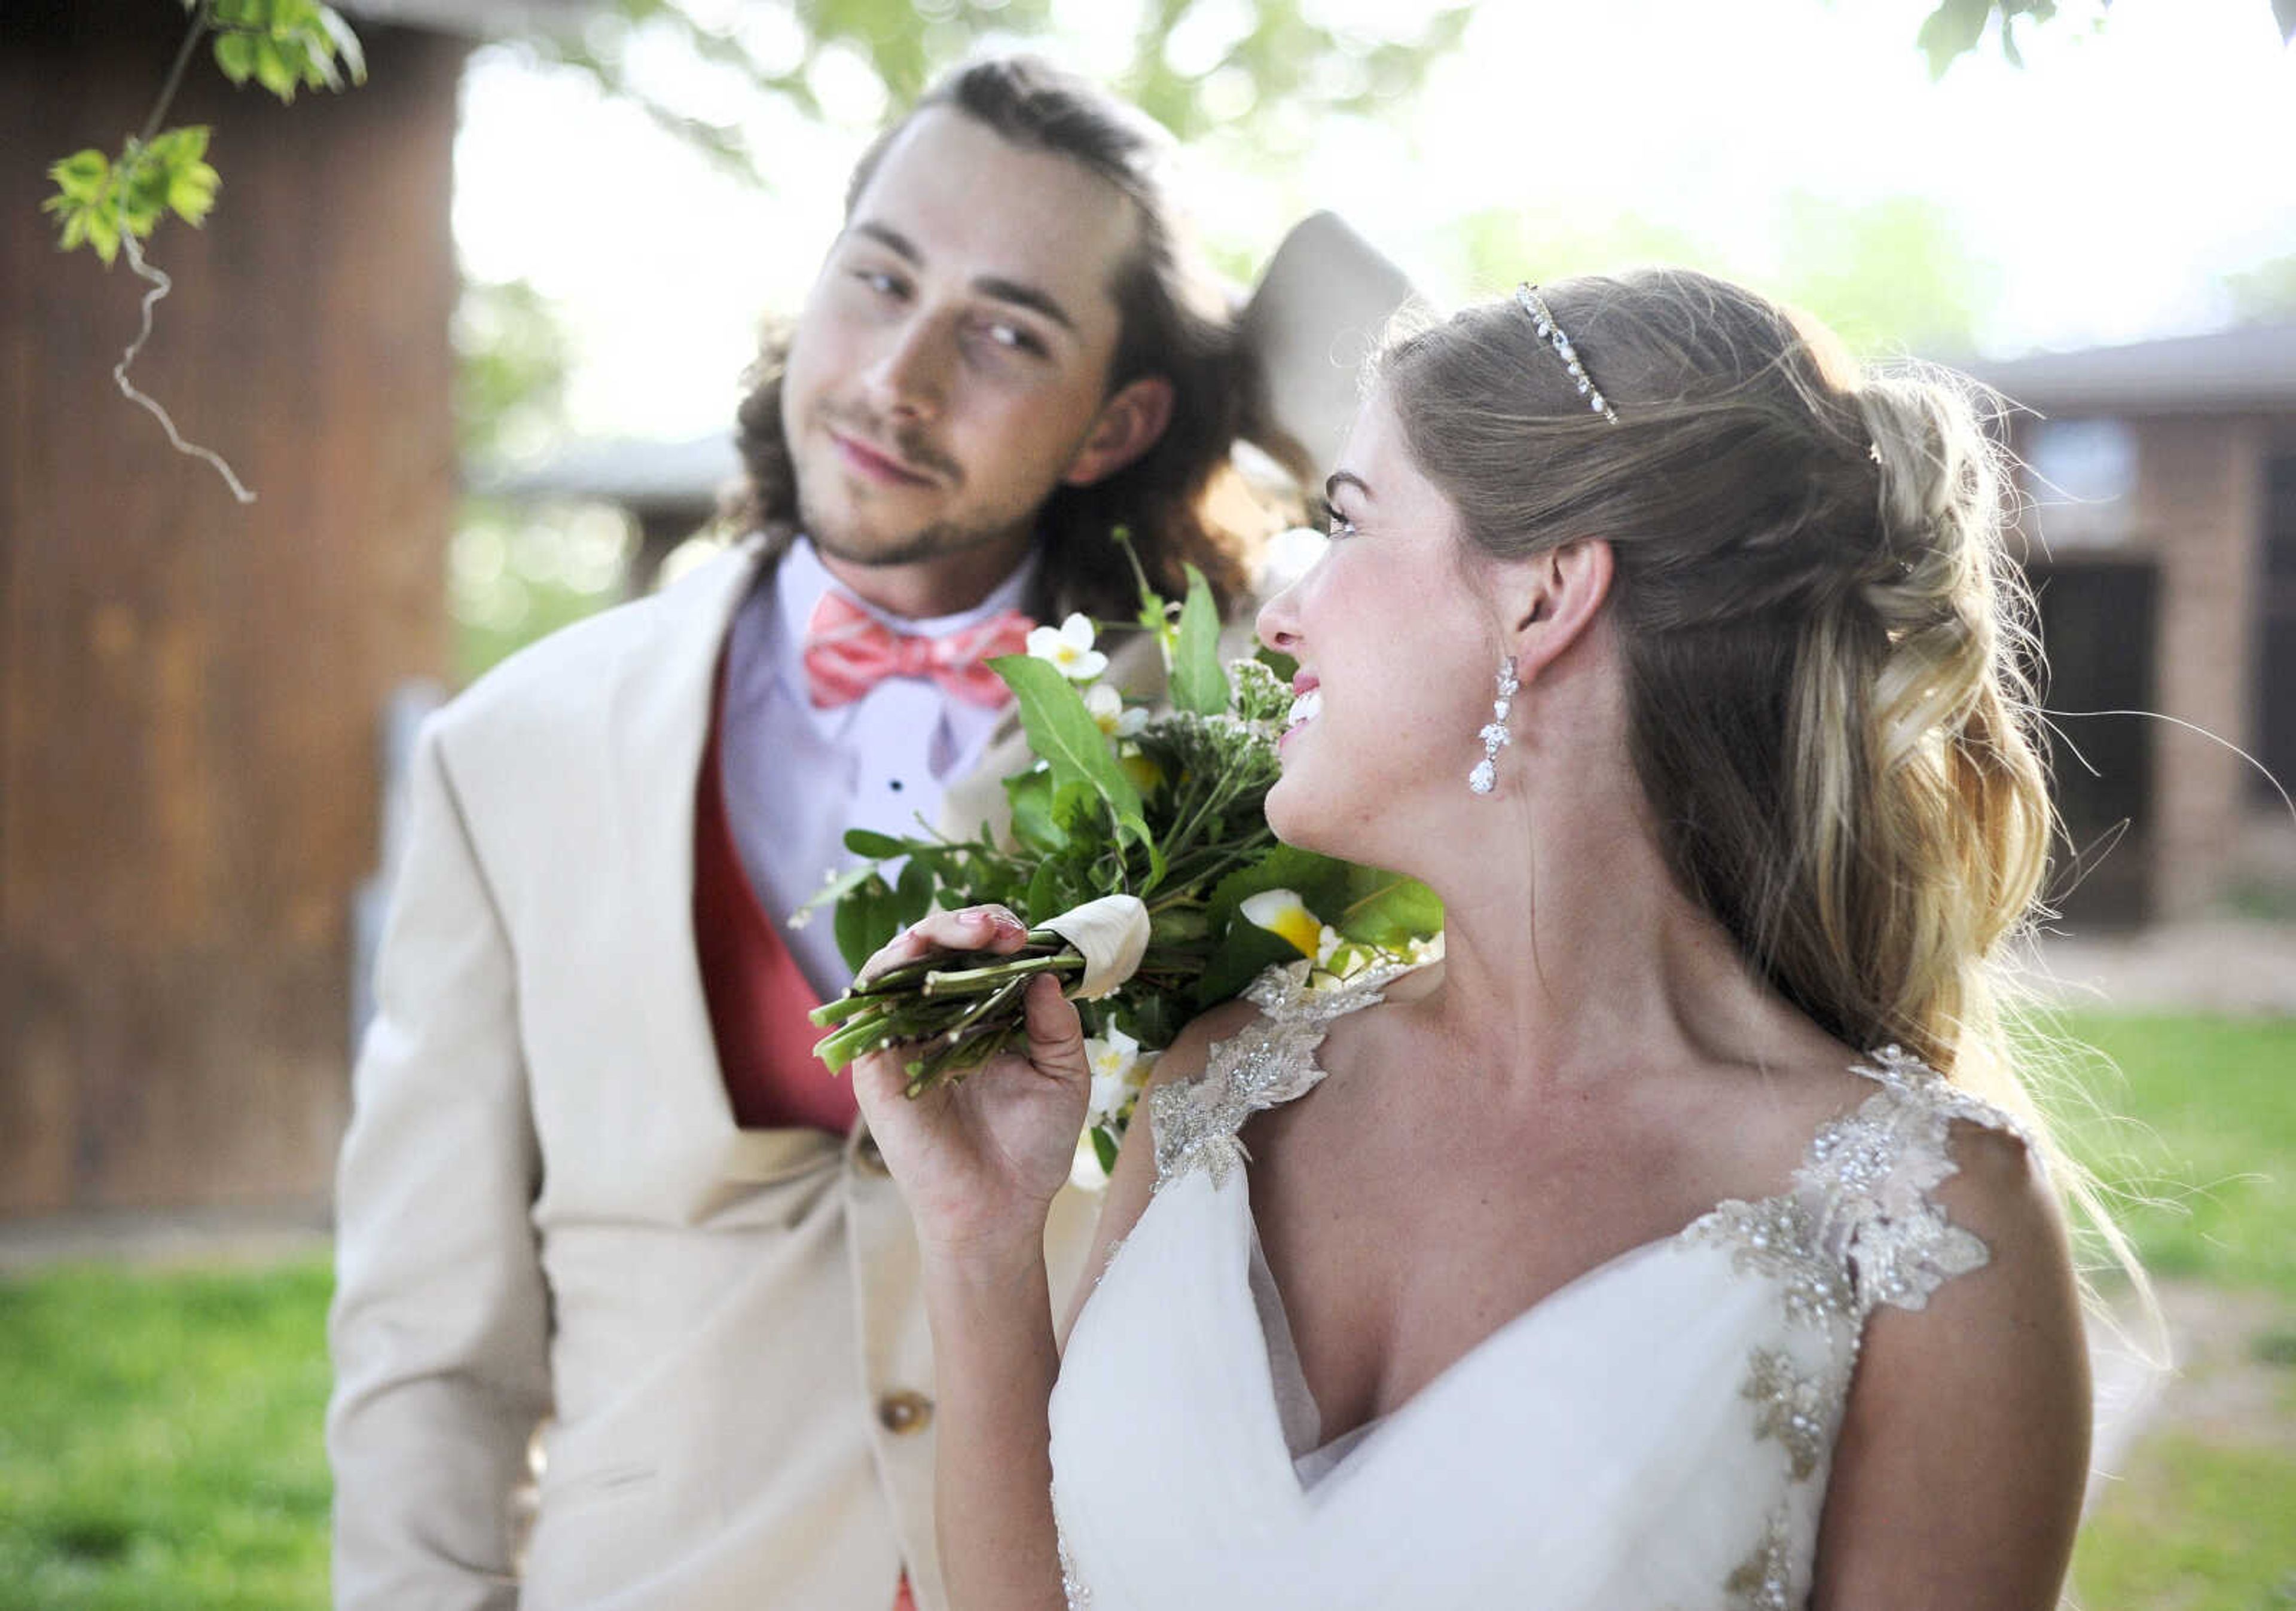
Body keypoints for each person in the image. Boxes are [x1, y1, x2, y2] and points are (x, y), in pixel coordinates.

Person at [850, 268, 2100, 1609]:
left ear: (1544, 594)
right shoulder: (1221, 1090)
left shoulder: (1929, 1226)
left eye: (1347, 522)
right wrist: (982, 1246)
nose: (1281, 616)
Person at [326, 56, 1321, 1611]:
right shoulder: (508, 753)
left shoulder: (1236, 724)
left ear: (1118, 417)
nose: (896, 380)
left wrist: (1257, 366)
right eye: (878, 280)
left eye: (1007, 332)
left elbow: (1455, 459)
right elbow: (424, 1347)